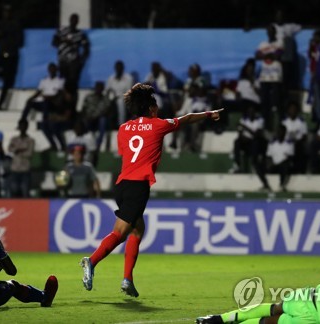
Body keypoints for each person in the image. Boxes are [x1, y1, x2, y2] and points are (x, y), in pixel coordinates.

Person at [80, 83, 223, 297]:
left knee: (138, 229)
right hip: (138, 186)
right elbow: (187, 118)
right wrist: (208, 114)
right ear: (149, 108)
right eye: (155, 106)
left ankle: (128, 279)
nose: (157, 110)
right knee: (120, 233)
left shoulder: (123, 128)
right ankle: (91, 261)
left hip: (121, 185)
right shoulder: (158, 125)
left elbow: (125, 152)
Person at [0, 4, 24, 111]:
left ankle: (0, 105)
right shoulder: (0, 24)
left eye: (8, 11)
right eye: (5, 11)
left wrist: (10, 40)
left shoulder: (16, 24)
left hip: (11, 55)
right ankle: (2, 75)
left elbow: (20, 42)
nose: (6, 13)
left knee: (7, 83)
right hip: (1, 54)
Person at [52, 13, 90, 109]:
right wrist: (64, 41)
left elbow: (86, 48)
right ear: (70, 20)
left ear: (77, 21)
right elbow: (54, 42)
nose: (74, 21)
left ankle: (72, 107)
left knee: (73, 85)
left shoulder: (80, 34)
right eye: (72, 19)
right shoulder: (62, 30)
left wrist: (81, 61)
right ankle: (62, 107)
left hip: (74, 63)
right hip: (63, 61)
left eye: (75, 20)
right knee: (62, 84)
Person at [255, 25, 283, 130]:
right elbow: (257, 55)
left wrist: (265, 54)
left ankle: (278, 124)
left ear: (275, 32)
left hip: (276, 77)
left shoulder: (279, 42)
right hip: (264, 77)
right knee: (265, 102)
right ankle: (267, 125)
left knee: (276, 102)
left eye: (272, 31)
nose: (270, 33)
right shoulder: (263, 44)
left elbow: (277, 55)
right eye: (268, 31)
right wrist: (269, 55)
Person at [259, 125, 294, 192]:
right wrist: (269, 163)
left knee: (285, 165)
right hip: (273, 165)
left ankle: (281, 185)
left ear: (284, 132)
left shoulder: (289, 143)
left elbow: (290, 157)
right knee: (258, 165)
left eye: (281, 131)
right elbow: (268, 156)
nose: (279, 133)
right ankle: (265, 185)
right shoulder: (272, 143)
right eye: (278, 131)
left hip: (283, 166)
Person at [81, 81, 112, 153]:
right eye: (97, 87)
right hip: (88, 119)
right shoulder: (89, 97)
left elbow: (107, 111)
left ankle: (97, 146)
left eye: (100, 88)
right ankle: (86, 144)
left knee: (103, 120)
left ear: (103, 89)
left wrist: (96, 117)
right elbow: (83, 109)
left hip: (98, 120)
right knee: (84, 121)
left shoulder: (106, 99)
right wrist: (87, 117)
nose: (98, 89)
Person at [7, 119, 35, 198]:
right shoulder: (14, 139)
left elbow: (29, 153)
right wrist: (22, 149)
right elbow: (10, 149)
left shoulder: (30, 140)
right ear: (19, 127)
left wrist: (17, 150)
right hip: (14, 169)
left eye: (24, 126)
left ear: (27, 127)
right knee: (14, 191)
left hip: (25, 170)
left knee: (25, 192)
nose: (22, 127)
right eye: (21, 126)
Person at [105, 60, 135, 128]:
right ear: (115, 68)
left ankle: (121, 123)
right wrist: (111, 96)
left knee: (120, 102)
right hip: (112, 98)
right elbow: (107, 90)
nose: (118, 69)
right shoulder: (111, 79)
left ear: (123, 68)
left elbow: (129, 92)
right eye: (117, 67)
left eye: (120, 67)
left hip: (124, 98)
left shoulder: (129, 78)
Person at [281, 101, 308, 173]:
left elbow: (304, 135)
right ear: (288, 110)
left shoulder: (301, 121)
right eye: (291, 109)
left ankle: (299, 170)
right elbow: (281, 135)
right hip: (286, 144)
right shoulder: (284, 122)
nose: (293, 111)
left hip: (298, 143)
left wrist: (297, 141)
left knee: (299, 148)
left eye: (294, 109)